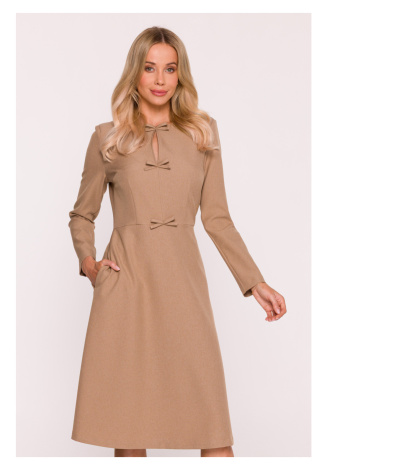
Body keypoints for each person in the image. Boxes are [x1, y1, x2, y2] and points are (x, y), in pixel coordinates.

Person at [68, 26, 287, 458]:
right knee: (130, 427)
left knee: (213, 430)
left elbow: (217, 218)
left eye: (170, 69)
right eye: (150, 68)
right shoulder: (107, 137)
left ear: (180, 75)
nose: (160, 79)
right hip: (126, 285)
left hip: (183, 283)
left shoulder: (203, 134)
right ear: (135, 73)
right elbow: (82, 214)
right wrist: (90, 265)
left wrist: (255, 282)